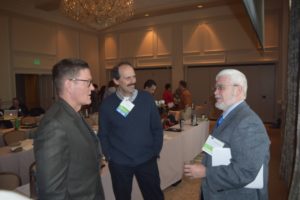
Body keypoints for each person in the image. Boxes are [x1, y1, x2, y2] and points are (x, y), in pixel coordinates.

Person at [184, 69, 270, 200]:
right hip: (218, 190)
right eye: (215, 88)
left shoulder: (248, 123)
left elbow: (245, 172)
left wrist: (206, 172)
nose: (215, 92)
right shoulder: (228, 115)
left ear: (238, 90)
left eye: (220, 88)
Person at [34, 58, 105, 200]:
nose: (92, 88)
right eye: (88, 82)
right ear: (69, 84)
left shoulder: (72, 113)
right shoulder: (54, 125)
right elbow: (52, 191)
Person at [99, 62, 164, 200]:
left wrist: (155, 151)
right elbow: (103, 134)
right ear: (116, 80)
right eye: (127, 78)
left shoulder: (147, 99)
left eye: (133, 77)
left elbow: (157, 128)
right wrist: (110, 156)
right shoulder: (107, 105)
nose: (133, 81)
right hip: (120, 163)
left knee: (154, 196)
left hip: (147, 160)